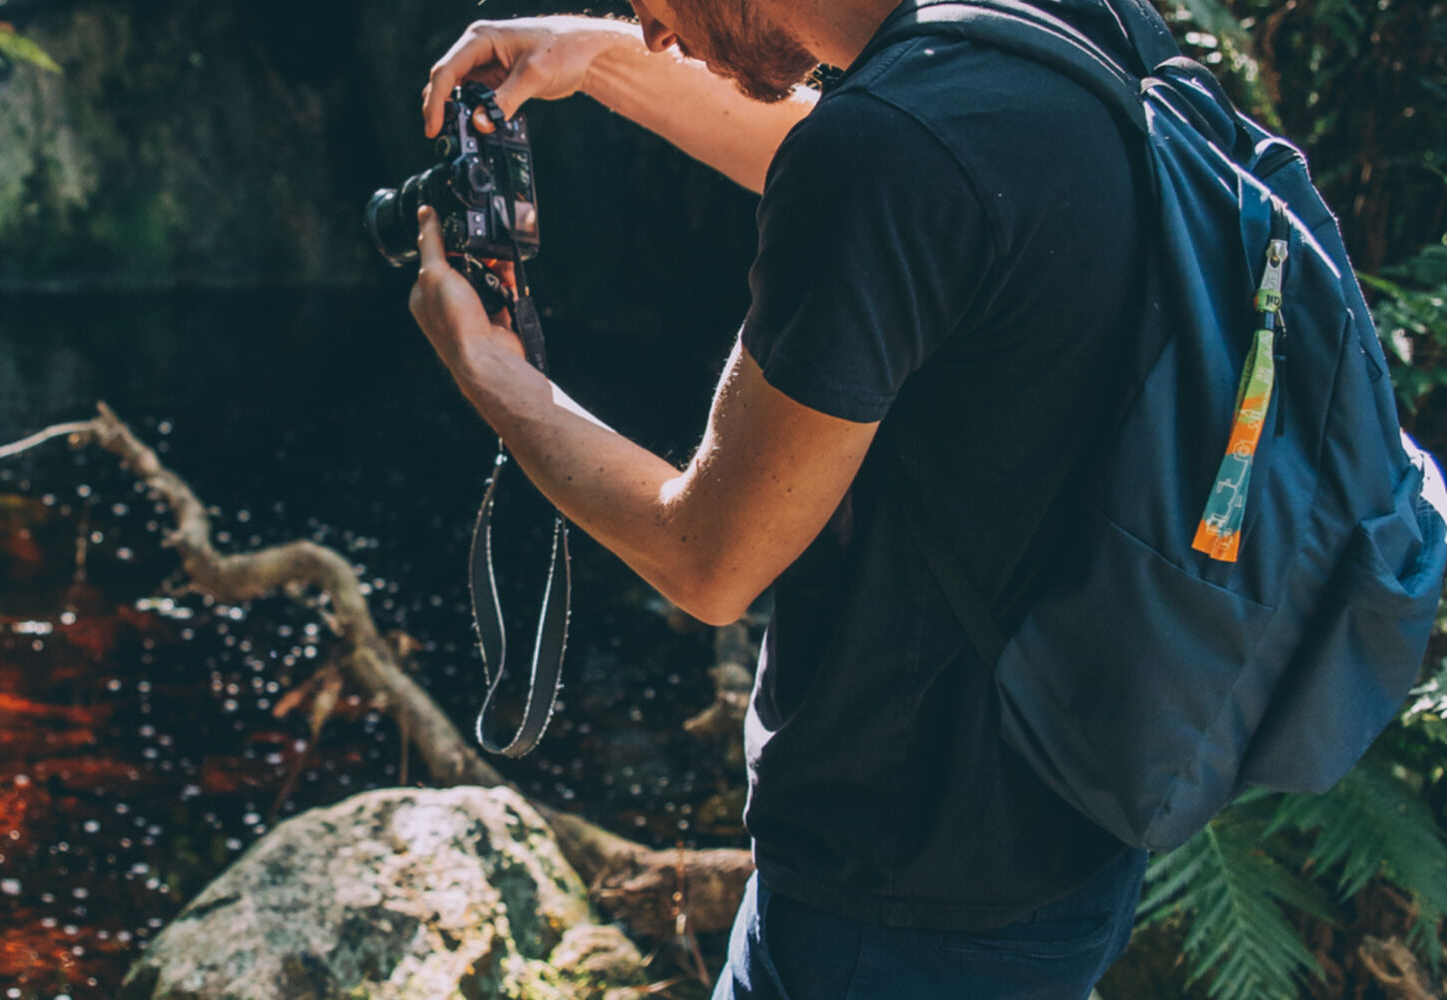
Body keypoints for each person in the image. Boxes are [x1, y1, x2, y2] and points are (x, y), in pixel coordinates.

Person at [405, 0, 1156, 997]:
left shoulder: (887, 153)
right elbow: (918, 193)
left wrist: (491, 374)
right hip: (1076, 829)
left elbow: (709, 556)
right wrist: (593, 58)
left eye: (647, 4)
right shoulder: (1068, 27)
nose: (655, 31)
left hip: (890, 901)